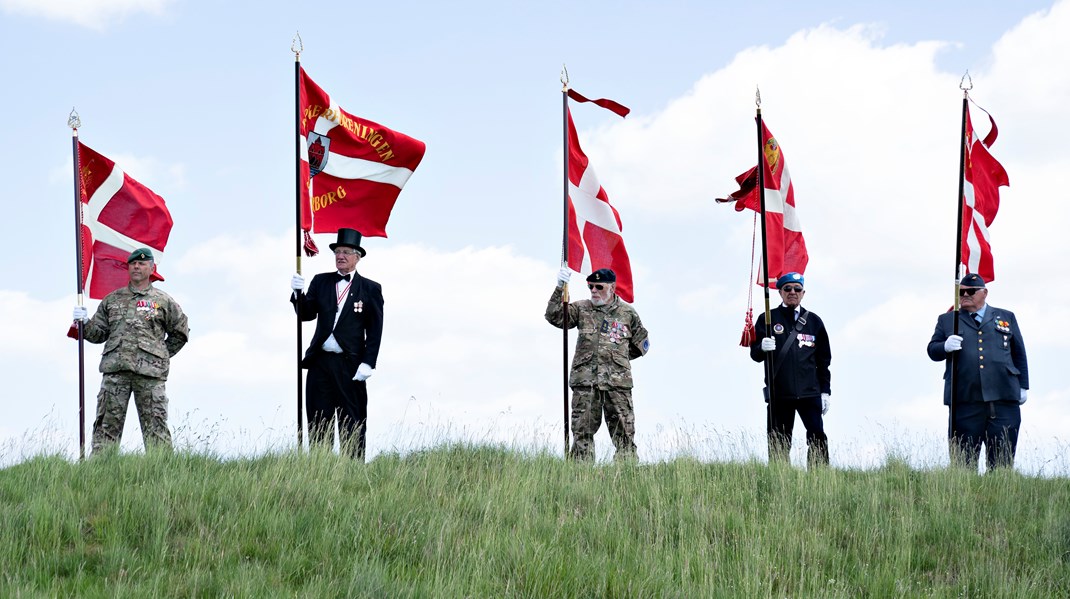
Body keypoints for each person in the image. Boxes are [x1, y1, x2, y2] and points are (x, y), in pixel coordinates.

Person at [72, 247, 190, 453]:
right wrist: (84, 323)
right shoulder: (112, 300)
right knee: (106, 428)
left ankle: (161, 474)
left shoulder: (163, 301)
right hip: (116, 373)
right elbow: (98, 334)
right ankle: (99, 475)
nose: (137, 266)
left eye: (142, 263)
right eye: (133, 263)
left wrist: (158, 356)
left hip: (150, 376)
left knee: (156, 428)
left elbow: (180, 333)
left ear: (151, 268)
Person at [290, 227, 384, 460]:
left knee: (351, 422)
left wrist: (368, 363)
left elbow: (375, 330)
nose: (340, 256)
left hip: (350, 365)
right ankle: (320, 469)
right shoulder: (321, 281)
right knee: (318, 420)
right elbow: (306, 314)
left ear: (357, 257)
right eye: (338, 251)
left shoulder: (371, 289)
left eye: (346, 252)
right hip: (320, 362)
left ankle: (352, 474)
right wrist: (297, 294)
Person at [545, 267, 650, 461]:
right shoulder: (581, 308)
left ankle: (625, 477)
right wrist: (559, 288)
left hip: (617, 385)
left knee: (624, 435)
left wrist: (617, 359)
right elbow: (555, 317)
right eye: (590, 286)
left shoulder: (627, 313)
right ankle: (581, 479)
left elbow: (641, 345)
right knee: (581, 434)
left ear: (612, 288)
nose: (593, 291)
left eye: (598, 287)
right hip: (586, 383)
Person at [926, 273, 1029, 470]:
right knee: (963, 465)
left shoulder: (1006, 316)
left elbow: (1019, 353)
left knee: (1002, 465)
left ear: (984, 293)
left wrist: (1023, 386)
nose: (965, 295)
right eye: (961, 292)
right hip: (965, 400)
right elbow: (932, 350)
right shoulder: (948, 320)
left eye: (970, 291)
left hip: (1003, 399)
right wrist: (944, 346)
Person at [750, 272, 832, 466]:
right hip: (780, 393)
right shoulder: (768, 319)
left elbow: (824, 361)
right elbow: (755, 355)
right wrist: (761, 346)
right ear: (780, 292)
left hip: (810, 393)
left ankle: (819, 479)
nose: (792, 292)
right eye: (787, 289)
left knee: (817, 437)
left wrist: (825, 391)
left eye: (797, 289)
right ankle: (780, 482)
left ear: (803, 293)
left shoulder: (814, 322)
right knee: (778, 441)